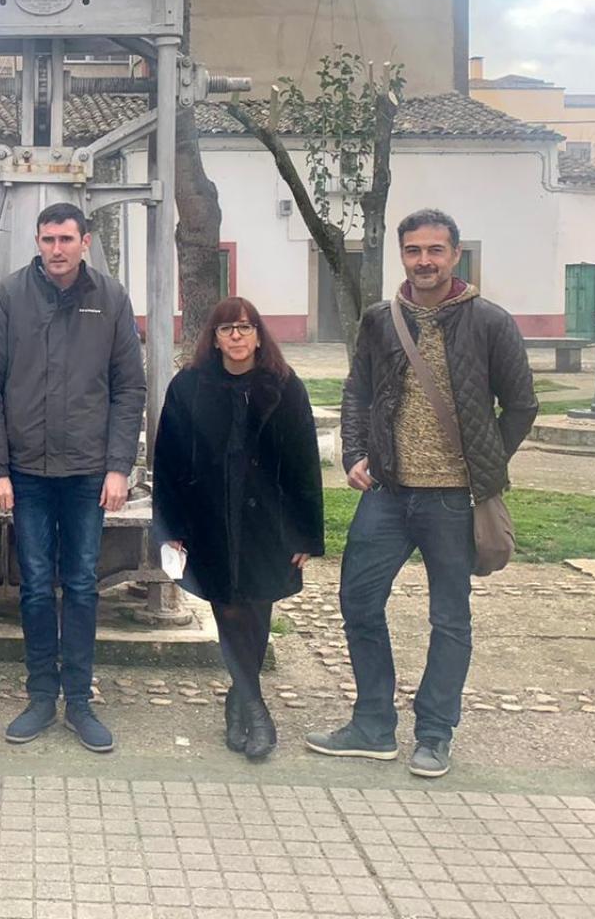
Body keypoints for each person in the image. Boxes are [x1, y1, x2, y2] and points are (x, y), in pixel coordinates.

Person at [307, 208, 539, 779]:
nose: (425, 261)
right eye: (414, 251)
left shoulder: (489, 321)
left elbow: (523, 405)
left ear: (456, 255)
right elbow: (358, 391)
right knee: (358, 601)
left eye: (436, 250)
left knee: (450, 618)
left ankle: (434, 734)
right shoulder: (381, 320)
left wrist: (484, 465)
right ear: (402, 256)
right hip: (386, 492)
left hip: (453, 499)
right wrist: (357, 452)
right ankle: (372, 725)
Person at [0, 202, 145, 753]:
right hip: (28, 474)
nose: (56, 249)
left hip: (89, 474)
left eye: (66, 239)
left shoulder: (110, 300)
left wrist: (119, 466)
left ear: (85, 241)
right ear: (38, 242)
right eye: (48, 239)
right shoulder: (9, 298)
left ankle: (81, 702)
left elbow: (129, 388)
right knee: (36, 585)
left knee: (85, 584)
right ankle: (41, 695)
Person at [151, 297, 324, 762]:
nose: (237, 337)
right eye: (227, 328)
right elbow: (166, 457)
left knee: (258, 610)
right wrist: (170, 524)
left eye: (245, 328)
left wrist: (306, 531)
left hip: (268, 522)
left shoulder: (284, 387)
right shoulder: (189, 385)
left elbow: (305, 461)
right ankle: (256, 710)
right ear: (214, 336)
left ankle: (239, 700)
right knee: (227, 609)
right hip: (209, 517)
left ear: (259, 334)